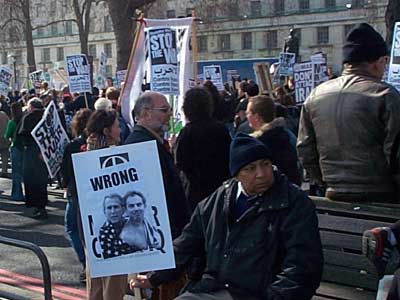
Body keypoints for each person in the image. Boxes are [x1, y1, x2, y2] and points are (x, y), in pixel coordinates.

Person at [131, 133, 323, 300]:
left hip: (260, 293)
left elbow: (302, 266)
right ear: (237, 174)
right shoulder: (219, 199)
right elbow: (187, 243)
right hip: (213, 287)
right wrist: (155, 276)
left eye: (265, 164)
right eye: (251, 168)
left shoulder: (293, 202)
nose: (261, 174)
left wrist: (275, 296)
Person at [297, 23, 400, 202]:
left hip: (333, 193)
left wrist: (323, 181)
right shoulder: (385, 95)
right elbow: (396, 154)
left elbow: (305, 149)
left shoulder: (315, 95)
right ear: (378, 62)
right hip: (381, 196)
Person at [124, 91, 191, 299]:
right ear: (145, 113)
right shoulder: (140, 145)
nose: (170, 114)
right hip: (158, 240)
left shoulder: (151, 142)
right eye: (164, 110)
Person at [84, 109, 127, 300]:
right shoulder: (114, 156)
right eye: (117, 126)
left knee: (96, 284)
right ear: (107, 131)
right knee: (113, 285)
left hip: (92, 229)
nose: (121, 129)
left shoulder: (85, 151)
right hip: (110, 227)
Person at [175, 87, 231, 211]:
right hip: (220, 188)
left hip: (196, 191)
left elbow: (181, 162)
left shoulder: (188, 132)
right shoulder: (221, 129)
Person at [61, 108, 92, 283]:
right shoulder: (97, 144)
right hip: (89, 191)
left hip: (76, 192)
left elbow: (65, 170)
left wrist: (64, 183)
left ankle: (86, 263)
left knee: (72, 227)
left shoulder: (73, 145)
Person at [248, 95, 301, 186]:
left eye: (248, 113)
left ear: (256, 117)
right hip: (292, 187)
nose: (247, 116)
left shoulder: (256, 144)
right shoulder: (287, 134)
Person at [17, 98, 48, 219]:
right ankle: (42, 205)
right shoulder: (46, 117)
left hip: (32, 152)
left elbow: (21, 134)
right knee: (42, 180)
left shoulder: (28, 117)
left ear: (31, 107)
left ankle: (36, 205)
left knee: (32, 180)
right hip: (45, 152)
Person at [99, 193, 133, 259]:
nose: (113, 211)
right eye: (109, 208)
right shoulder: (103, 232)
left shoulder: (134, 225)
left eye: (116, 207)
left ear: (123, 209)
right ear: (104, 211)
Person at [4, 102, 24, 200]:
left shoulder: (12, 122)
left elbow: (7, 135)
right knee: (24, 172)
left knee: (16, 172)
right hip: (24, 147)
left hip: (15, 147)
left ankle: (16, 194)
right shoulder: (24, 120)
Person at [0, 103, 10, 176]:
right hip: (4, 137)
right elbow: (8, 123)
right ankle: (4, 170)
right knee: (5, 155)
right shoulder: (4, 114)